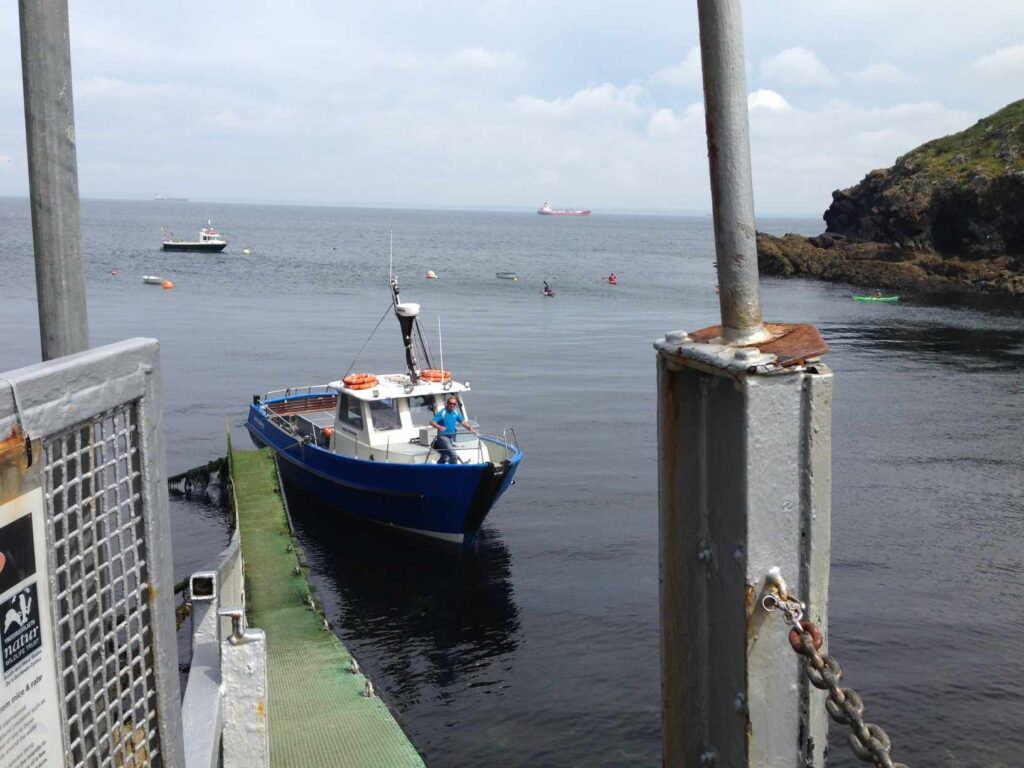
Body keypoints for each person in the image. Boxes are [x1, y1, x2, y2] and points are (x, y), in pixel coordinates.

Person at [431, 396, 478, 464]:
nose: (452, 405)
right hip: (443, 437)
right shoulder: (443, 412)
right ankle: (453, 471)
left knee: (445, 456)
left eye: (454, 404)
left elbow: (463, 422)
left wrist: (470, 428)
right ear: (447, 403)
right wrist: (439, 426)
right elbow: (432, 422)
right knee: (454, 456)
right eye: (450, 403)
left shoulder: (455, 413)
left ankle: (438, 469)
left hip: (450, 438)